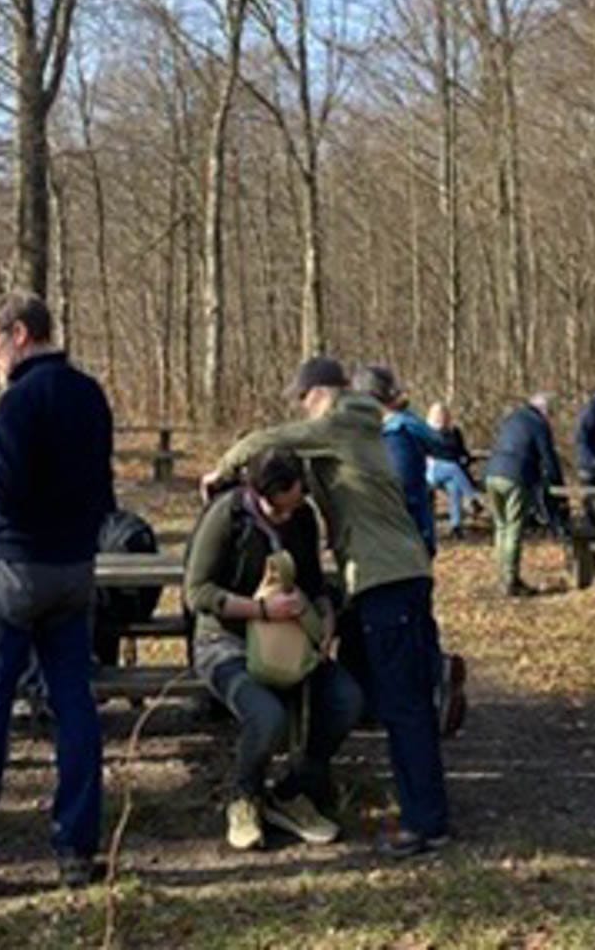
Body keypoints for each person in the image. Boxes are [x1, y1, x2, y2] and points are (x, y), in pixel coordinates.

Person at [200, 355, 460, 858]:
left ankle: (425, 823)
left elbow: (265, 443)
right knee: (367, 686)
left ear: (318, 393)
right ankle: (321, 783)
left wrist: (221, 469)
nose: (303, 411)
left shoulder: (338, 422)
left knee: (402, 705)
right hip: (398, 575)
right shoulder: (365, 425)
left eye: (303, 400)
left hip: (386, 580)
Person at [0, 292, 114, 895]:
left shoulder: (17, 404)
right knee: (76, 709)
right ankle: (77, 850)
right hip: (75, 570)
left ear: (19, 334)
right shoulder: (90, 396)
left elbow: (3, 494)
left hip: (11, 571)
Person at [184, 446, 364, 851]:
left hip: (293, 642)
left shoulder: (302, 515)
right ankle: (245, 796)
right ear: (257, 492)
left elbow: (317, 586)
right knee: (267, 715)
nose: (286, 515)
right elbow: (198, 592)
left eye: (293, 505)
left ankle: (290, 792)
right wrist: (260, 610)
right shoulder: (225, 516)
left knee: (345, 700)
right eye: (277, 509)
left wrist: (324, 621)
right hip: (225, 641)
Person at [351, 365, 459, 557]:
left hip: (387, 537)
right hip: (397, 535)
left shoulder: (387, 433)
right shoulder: (397, 428)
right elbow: (442, 446)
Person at [483, 393, 565, 596]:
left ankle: (502, 575)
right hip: (515, 477)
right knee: (514, 528)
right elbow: (548, 457)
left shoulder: (511, 418)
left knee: (501, 526)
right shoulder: (538, 424)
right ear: (544, 411)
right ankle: (510, 580)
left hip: (492, 473)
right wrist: (558, 486)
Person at [424, 401, 481, 539]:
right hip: (432, 470)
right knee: (453, 468)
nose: (442, 418)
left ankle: (456, 526)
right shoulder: (426, 432)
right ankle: (472, 498)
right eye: (438, 415)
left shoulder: (454, 432)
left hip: (452, 472)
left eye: (444, 415)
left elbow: (462, 451)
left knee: (454, 487)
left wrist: (464, 458)